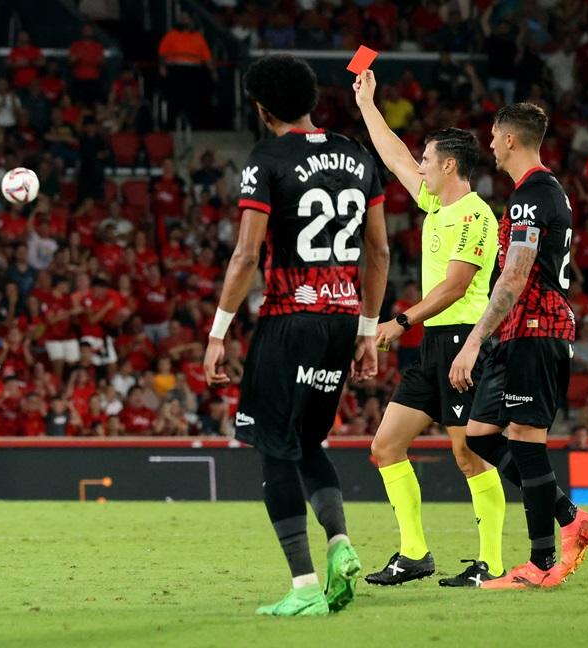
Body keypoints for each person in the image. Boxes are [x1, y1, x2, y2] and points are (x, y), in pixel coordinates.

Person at [202, 56, 389, 617]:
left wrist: (217, 333)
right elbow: (379, 251)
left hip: (289, 317)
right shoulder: (358, 155)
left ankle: (305, 587)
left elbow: (245, 255)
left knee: (274, 447)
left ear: (262, 109)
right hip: (343, 319)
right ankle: (340, 543)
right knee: (308, 442)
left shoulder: (268, 159)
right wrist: (367, 329)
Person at [353, 69, 505, 587]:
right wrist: (367, 104)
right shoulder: (436, 203)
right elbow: (393, 154)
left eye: (426, 159)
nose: (418, 166)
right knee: (385, 447)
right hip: (435, 344)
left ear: (449, 165)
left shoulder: (476, 215)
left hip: (465, 342)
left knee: (469, 455)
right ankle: (414, 554)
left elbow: (456, 287)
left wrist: (400, 321)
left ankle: (491, 563)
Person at [449, 104, 588, 589]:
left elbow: (515, 276)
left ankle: (540, 564)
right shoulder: (536, 193)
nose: (490, 145)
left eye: (494, 136)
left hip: (538, 327)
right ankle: (571, 517)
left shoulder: (533, 195)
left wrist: (474, 341)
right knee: (480, 433)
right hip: (520, 330)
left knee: (524, 438)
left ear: (511, 139)